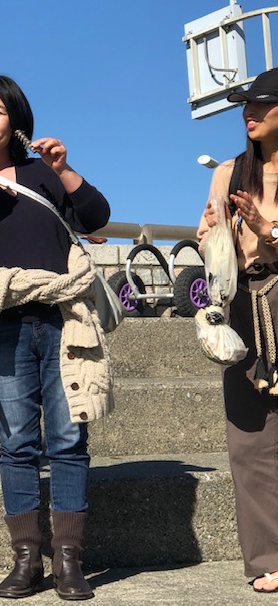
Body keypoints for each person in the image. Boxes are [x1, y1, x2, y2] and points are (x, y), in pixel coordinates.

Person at [0, 76, 113, 601]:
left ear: (16, 121)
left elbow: (97, 215)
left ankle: (68, 560)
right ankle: (26, 559)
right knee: (16, 445)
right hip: (4, 324)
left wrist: (63, 168)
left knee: (68, 440)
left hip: (63, 319)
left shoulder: (40, 171)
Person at [197, 67, 278, 594]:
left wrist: (266, 229)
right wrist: (218, 233)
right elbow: (206, 234)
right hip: (244, 302)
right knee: (249, 437)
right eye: (245, 104)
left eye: (261, 103)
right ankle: (268, 556)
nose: (249, 112)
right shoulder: (229, 172)